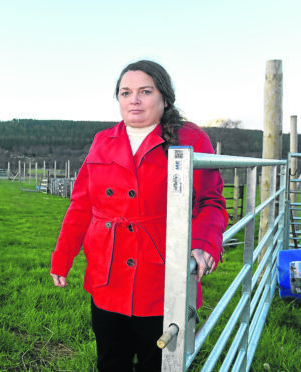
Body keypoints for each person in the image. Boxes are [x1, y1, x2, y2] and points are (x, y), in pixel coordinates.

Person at [50, 60, 228, 371]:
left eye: (145, 91)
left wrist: (203, 244)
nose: (134, 100)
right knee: (110, 360)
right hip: (107, 275)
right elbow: (81, 205)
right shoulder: (102, 141)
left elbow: (210, 202)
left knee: (158, 362)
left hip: (161, 276)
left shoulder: (191, 139)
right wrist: (62, 256)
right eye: (125, 92)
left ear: (164, 98)